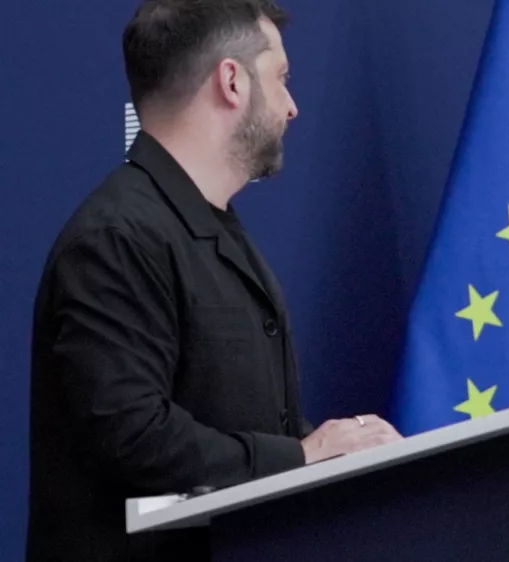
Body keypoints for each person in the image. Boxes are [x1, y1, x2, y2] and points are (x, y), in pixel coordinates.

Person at [26, 1, 402, 560]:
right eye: (281, 78)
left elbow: (237, 422)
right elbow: (132, 436)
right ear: (232, 80)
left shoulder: (210, 228)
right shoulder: (115, 239)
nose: (293, 107)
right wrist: (302, 456)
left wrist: (339, 454)